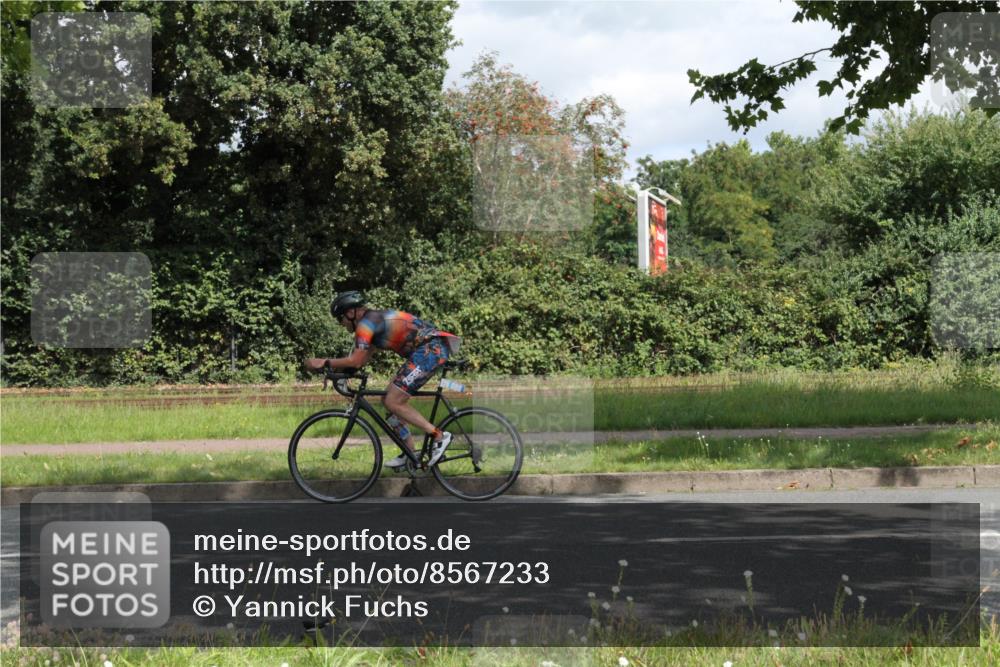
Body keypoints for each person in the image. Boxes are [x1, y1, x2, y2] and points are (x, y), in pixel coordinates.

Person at [304, 290, 458, 468]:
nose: (341, 324)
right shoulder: (372, 322)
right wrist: (334, 371)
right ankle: (409, 453)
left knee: (393, 401)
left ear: (350, 312)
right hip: (426, 350)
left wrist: (324, 362)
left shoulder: (367, 324)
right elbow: (360, 361)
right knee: (388, 401)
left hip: (430, 349)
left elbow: (356, 359)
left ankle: (439, 436)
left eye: (340, 319)